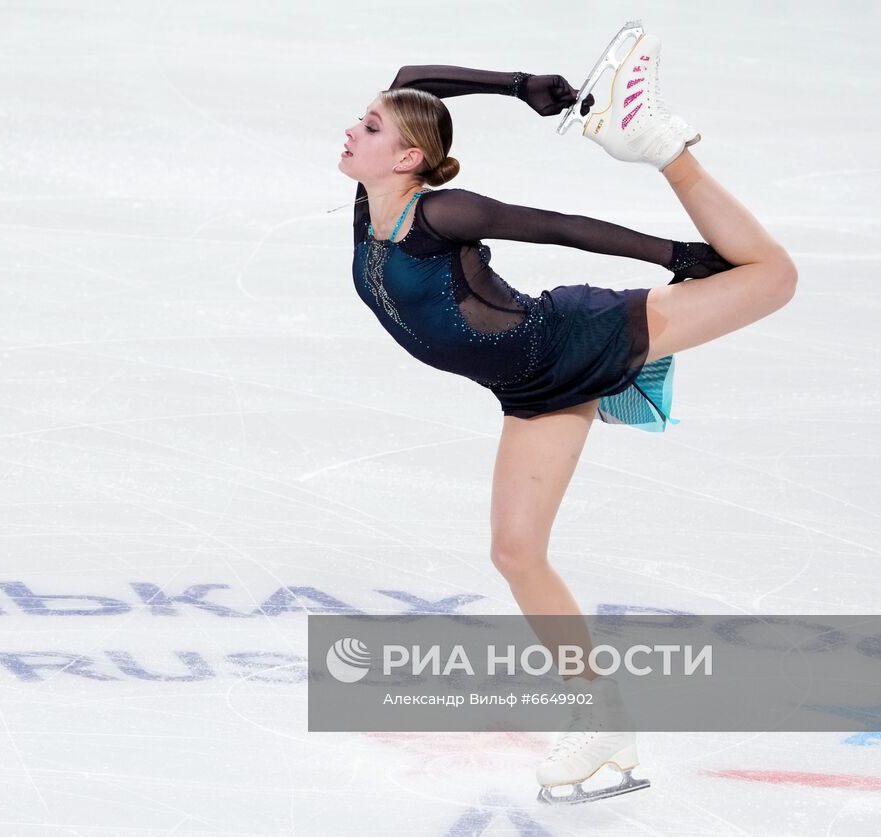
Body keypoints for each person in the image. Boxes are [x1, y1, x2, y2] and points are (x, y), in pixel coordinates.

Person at [337, 31, 798, 802]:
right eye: (363, 120)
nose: (353, 129)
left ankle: (659, 143)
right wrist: (519, 83)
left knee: (774, 277)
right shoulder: (371, 208)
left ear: (409, 158)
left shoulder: (441, 212)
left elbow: (555, 225)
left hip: (576, 335)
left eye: (372, 128)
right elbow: (414, 78)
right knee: (516, 552)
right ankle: (603, 716)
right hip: (532, 389)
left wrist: (675, 257)